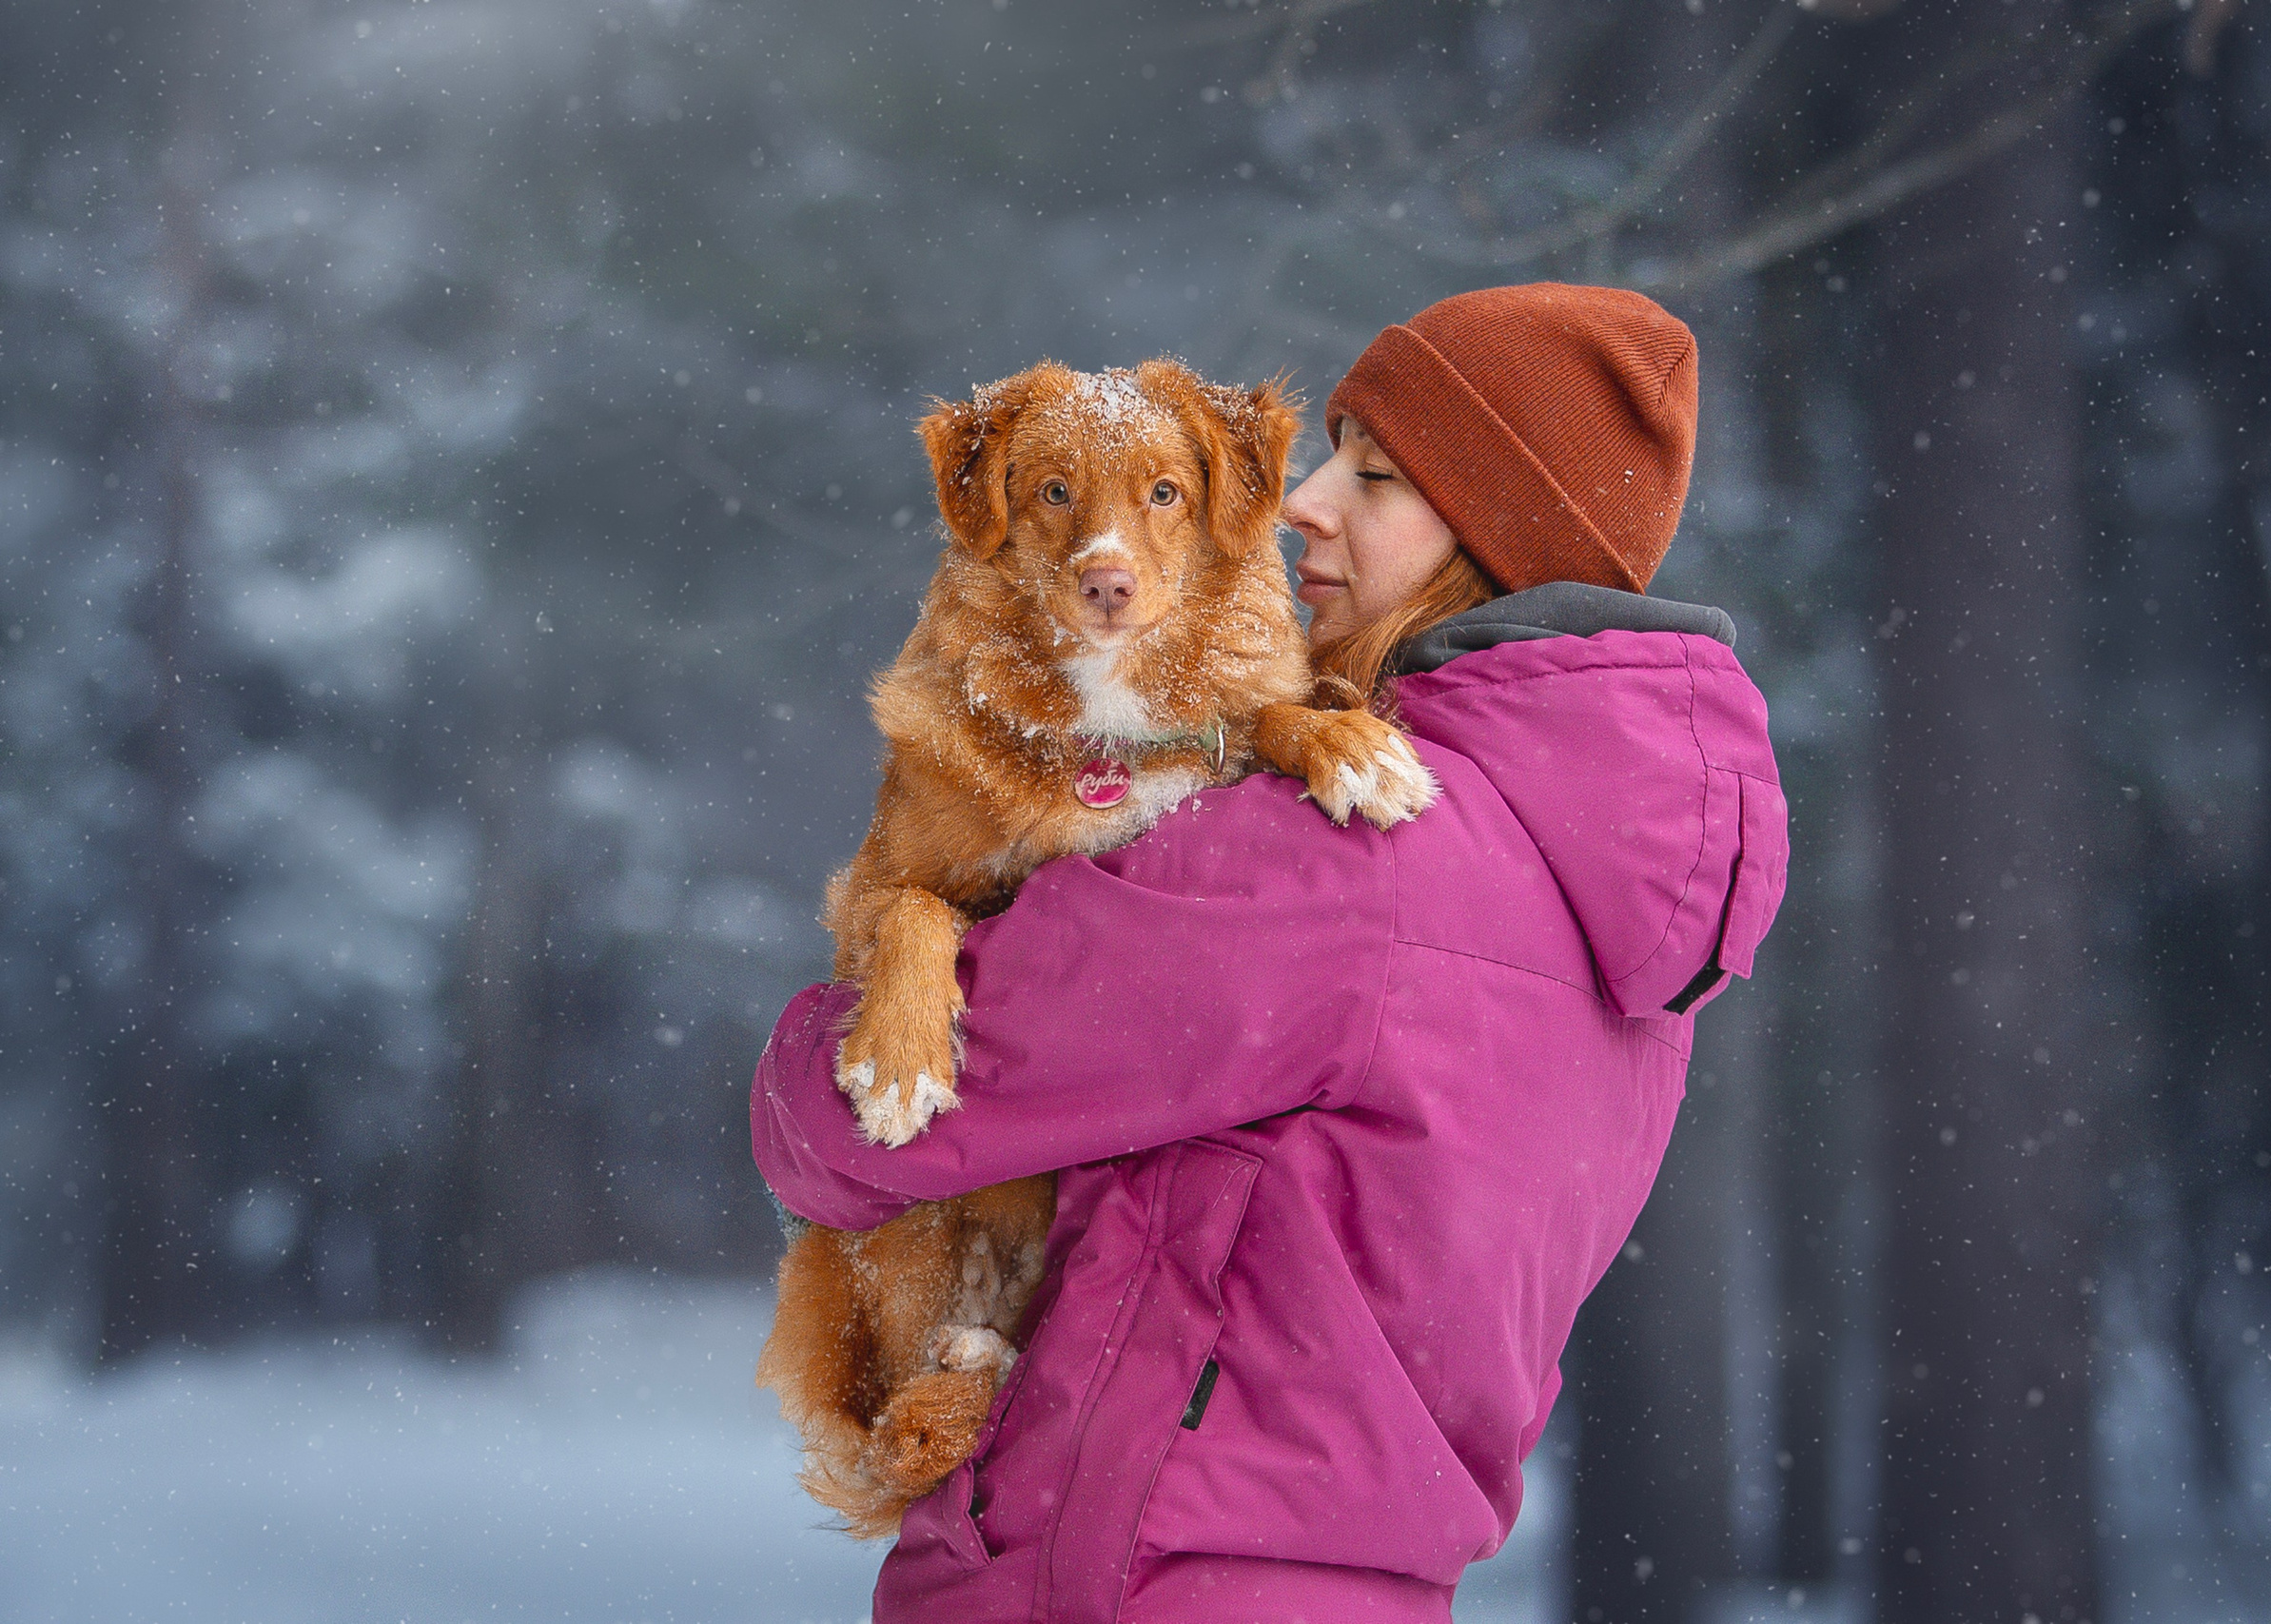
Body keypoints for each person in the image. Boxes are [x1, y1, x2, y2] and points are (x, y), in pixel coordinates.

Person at [753, 282, 1790, 1623]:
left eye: (1376, 475)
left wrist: (825, 1016)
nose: (1304, 503)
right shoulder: (1627, 902)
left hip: (1128, 1583)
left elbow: (847, 1130)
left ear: (1497, 535)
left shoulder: (1332, 861)